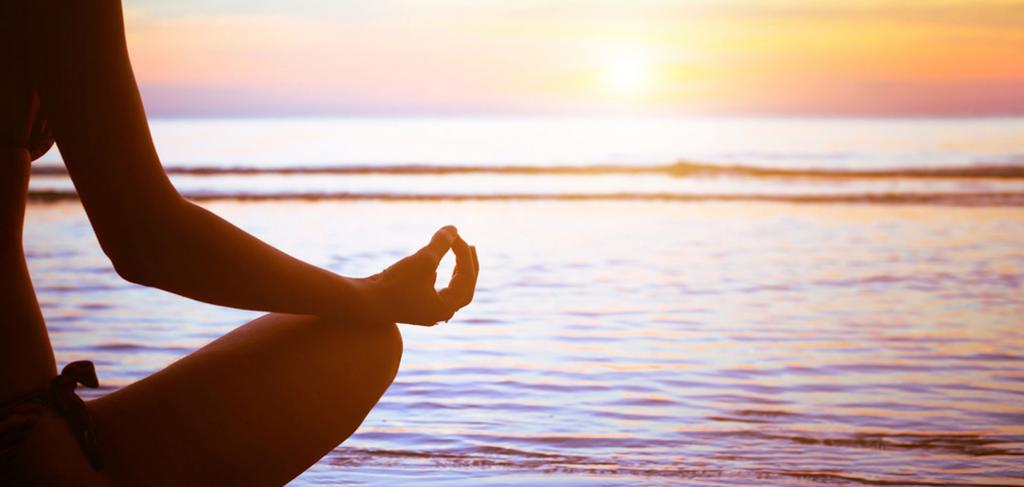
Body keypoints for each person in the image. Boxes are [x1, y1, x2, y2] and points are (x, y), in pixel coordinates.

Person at [0, 0, 480, 484]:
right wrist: (373, 297)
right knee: (360, 342)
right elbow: (145, 238)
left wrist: (371, 292)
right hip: (19, 442)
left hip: (30, 422)